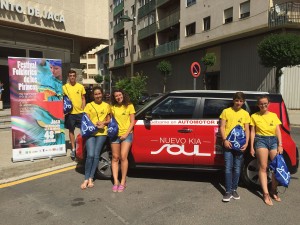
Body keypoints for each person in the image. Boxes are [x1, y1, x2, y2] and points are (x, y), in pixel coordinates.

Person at [250, 95, 283, 206]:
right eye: (261, 103)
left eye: (265, 103)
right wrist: (251, 146)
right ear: (258, 105)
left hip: (273, 141)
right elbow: (253, 132)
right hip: (260, 140)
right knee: (263, 167)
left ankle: (273, 190)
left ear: (268, 104)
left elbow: (277, 130)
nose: (263, 105)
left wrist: (280, 144)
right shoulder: (254, 116)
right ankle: (265, 193)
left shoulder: (274, 115)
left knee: (277, 168)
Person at [220, 92, 250, 202]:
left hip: (240, 145)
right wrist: (225, 140)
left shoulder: (245, 114)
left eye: (241, 101)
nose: (238, 103)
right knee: (228, 167)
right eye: (237, 100)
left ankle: (234, 189)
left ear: (243, 102)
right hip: (228, 143)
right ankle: (227, 191)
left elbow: (247, 130)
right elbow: (222, 127)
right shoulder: (226, 111)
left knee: (237, 168)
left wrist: (246, 143)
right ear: (233, 100)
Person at [81, 86, 111, 189]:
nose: (98, 95)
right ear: (93, 96)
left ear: (102, 94)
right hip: (91, 133)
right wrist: (94, 125)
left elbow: (109, 120)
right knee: (90, 155)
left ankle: (91, 178)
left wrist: (103, 123)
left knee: (96, 155)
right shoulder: (89, 105)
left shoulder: (107, 105)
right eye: (96, 94)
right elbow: (86, 120)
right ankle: (86, 178)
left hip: (102, 133)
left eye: (99, 93)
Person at [110, 89, 135, 192]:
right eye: (116, 96)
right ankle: (116, 181)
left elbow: (132, 122)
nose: (118, 97)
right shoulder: (113, 107)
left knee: (123, 156)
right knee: (115, 157)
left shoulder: (129, 106)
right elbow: (111, 121)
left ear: (123, 95)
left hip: (127, 134)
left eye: (120, 95)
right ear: (114, 97)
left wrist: (125, 134)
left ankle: (123, 181)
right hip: (115, 135)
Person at [63, 70, 86, 159]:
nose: (72, 77)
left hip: (80, 113)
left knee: (83, 130)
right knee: (71, 131)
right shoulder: (64, 87)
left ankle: (82, 146)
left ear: (75, 77)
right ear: (68, 77)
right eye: (70, 76)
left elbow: (83, 98)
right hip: (70, 113)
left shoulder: (80, 86)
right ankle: (73, 149)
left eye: (73, 75)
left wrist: (83, 109)